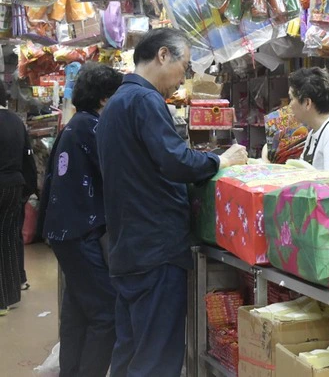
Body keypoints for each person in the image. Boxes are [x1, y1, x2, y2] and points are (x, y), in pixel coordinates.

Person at [96, 28, 248, 377]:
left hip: (128, 247)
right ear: (163, 55)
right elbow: (175, 161)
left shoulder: (117, 104)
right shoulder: (145, 101)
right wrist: (221, 161)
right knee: (156, 358)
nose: (184, 77)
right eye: (185, 65)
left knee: (130, 349)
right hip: (156, 249)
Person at [40, 63, 122, 377]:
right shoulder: (95, 128)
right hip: (80, 231)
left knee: (77, 309)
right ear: (104, 99)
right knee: (105, 313)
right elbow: (117, 174)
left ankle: (70, 371)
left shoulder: (75, 126)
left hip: (64, 230)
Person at [0, 80, 37, 316]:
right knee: (10, 237)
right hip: (14, 185)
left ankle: (1, 300)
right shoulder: (15, 121)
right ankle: (15, 288)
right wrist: (29, 189)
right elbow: (28, 158)